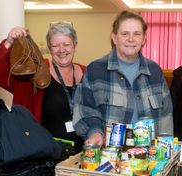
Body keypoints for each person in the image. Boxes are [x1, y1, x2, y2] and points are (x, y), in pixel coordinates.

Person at [73, 11, 173, 146]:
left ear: (144, 39)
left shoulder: (154, 71)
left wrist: (165, 150)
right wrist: (95, 132)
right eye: (125, 33)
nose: (131, 39)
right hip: (110, 157)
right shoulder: (95, 70)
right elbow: (85, 109)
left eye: (137, 34)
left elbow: (166, 115)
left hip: (151, 158)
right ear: (114, 37)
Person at [0, 22, 85, 153]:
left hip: (85, 152)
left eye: (66, 44)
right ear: (50, 49)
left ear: (75, 46)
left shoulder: (88, 73)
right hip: (45, 155)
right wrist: (9, 42)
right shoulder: (35, 74)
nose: (61, 50)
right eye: (55, 45)